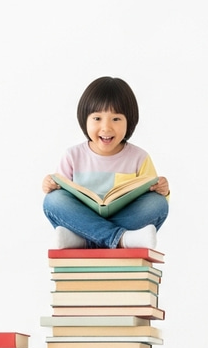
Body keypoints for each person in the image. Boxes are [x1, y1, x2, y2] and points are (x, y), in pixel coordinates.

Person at [42, 76, 169, 249]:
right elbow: (62, 195)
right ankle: (121, 239)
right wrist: (50, 185)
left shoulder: (140, 157)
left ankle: (85, 241)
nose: (106, 128)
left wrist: (163, 189)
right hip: (84, 219)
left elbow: (153, 198)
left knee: (157, 203)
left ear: (129, 121)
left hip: (122, 219)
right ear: (84, 119)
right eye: (97, 118)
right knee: (53, 200)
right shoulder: (72, 155)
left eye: (116, 119)